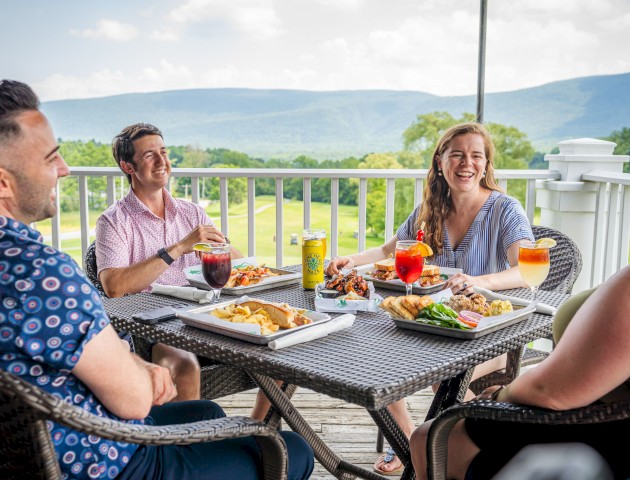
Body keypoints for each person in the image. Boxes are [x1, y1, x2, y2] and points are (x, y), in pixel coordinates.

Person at [0, 79, 314, 479]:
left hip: (62, 438)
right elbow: (114, 295)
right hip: (114, 458)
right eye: (51, 158)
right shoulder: (48, 273)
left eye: (164, 152)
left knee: (207, 410)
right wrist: (138, 369)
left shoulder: (189, 211)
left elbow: (235, 262)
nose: (64, 169)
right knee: (295, 450)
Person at [326, 122, 534, 475]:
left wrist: (478, 281)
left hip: (484, 332)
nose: (466, 163)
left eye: (475, 155)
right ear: (440, 162)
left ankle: (473, 449)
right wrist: (353, 260)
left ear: (486, 164)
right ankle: (407, 440)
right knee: (373, 354)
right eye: (457, 155)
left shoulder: (505, 209)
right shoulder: (430, 209)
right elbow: (389, 251)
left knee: (443, 374)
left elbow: (527, 270)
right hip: (428, 326)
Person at [410, 265, 630, 480]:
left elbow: (548, 390)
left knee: (426, 437)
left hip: (585, 432)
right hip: (587, 409)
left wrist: (500, 397)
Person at [95, 122, 242, 402]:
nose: (162, 161)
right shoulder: (113, 221)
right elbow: (114, 286)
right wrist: (179, 247)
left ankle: (261, 429)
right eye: (150, 155)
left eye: (163, 152)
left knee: (277, 346)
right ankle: (185, 443)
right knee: (183, 365)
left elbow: (241, 265)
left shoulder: (191, 213)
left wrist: (221, 249)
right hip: (154, 326)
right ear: (128, 167)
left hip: (207, 316)